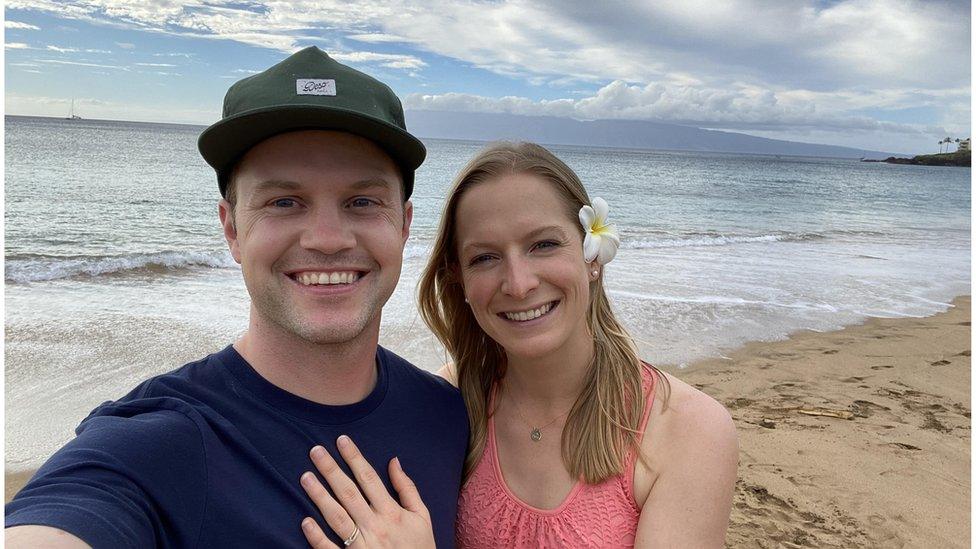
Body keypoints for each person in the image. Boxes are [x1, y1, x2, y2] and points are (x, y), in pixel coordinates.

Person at [5, 46, 468, 548]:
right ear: (232, 229)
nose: (327, 238)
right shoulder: (161, 445)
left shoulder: (450, 417)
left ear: (403, 224)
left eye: (362, 201)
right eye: (284, 202)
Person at [298, 142, 738, 548]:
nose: (519, 284)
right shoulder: (447, 406)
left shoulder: (687, 430)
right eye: (484, 258)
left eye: (543, 245)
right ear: (461, 281)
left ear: (592, 257)